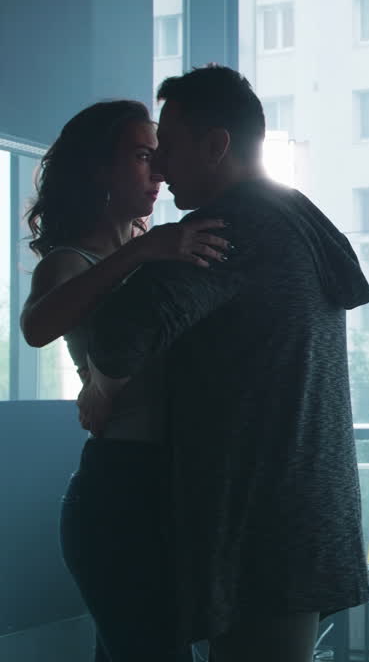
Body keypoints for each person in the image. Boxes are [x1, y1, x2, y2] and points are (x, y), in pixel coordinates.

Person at [78, 66, 369, 662]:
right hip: (307, 505)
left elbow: (113, 341)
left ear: (216, 146)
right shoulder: (296, 215)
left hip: (253, 521)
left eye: (168, 145)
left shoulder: (223, 229)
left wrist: (142, 253)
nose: (158, 166)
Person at [22, 99, 230, 661]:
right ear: (98, 168)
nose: (159, 171)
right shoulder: (70, 261)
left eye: (158, 155)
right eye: (142, 156)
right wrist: (144, 248)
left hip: (168, 484)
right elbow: (35, 328)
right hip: (117, 489)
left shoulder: (160, 249)